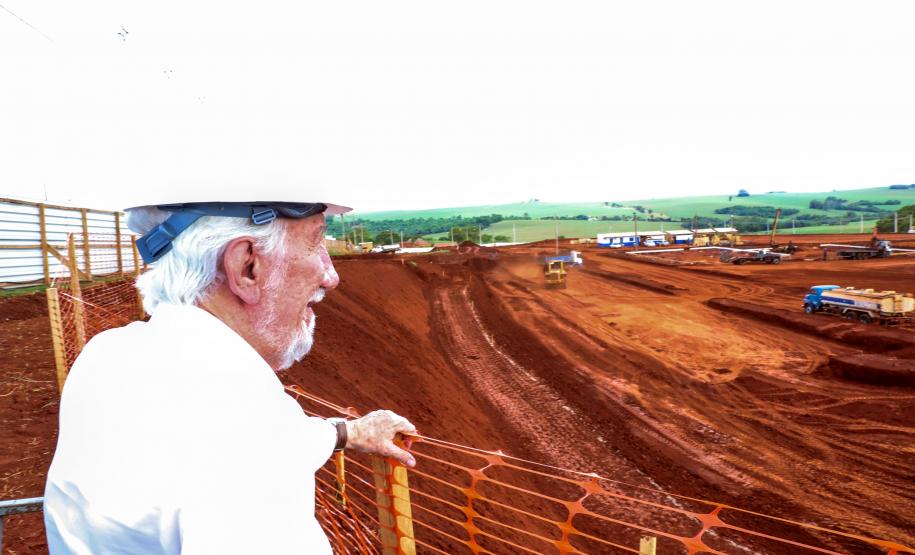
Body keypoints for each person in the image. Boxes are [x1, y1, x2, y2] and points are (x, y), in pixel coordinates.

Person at [44, 188, 417, 554]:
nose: (329, 275)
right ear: (247, 267)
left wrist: (348, 432)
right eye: (315, 242)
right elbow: (242, 447)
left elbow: (244, 443)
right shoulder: (247, 437)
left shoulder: (109, 354)